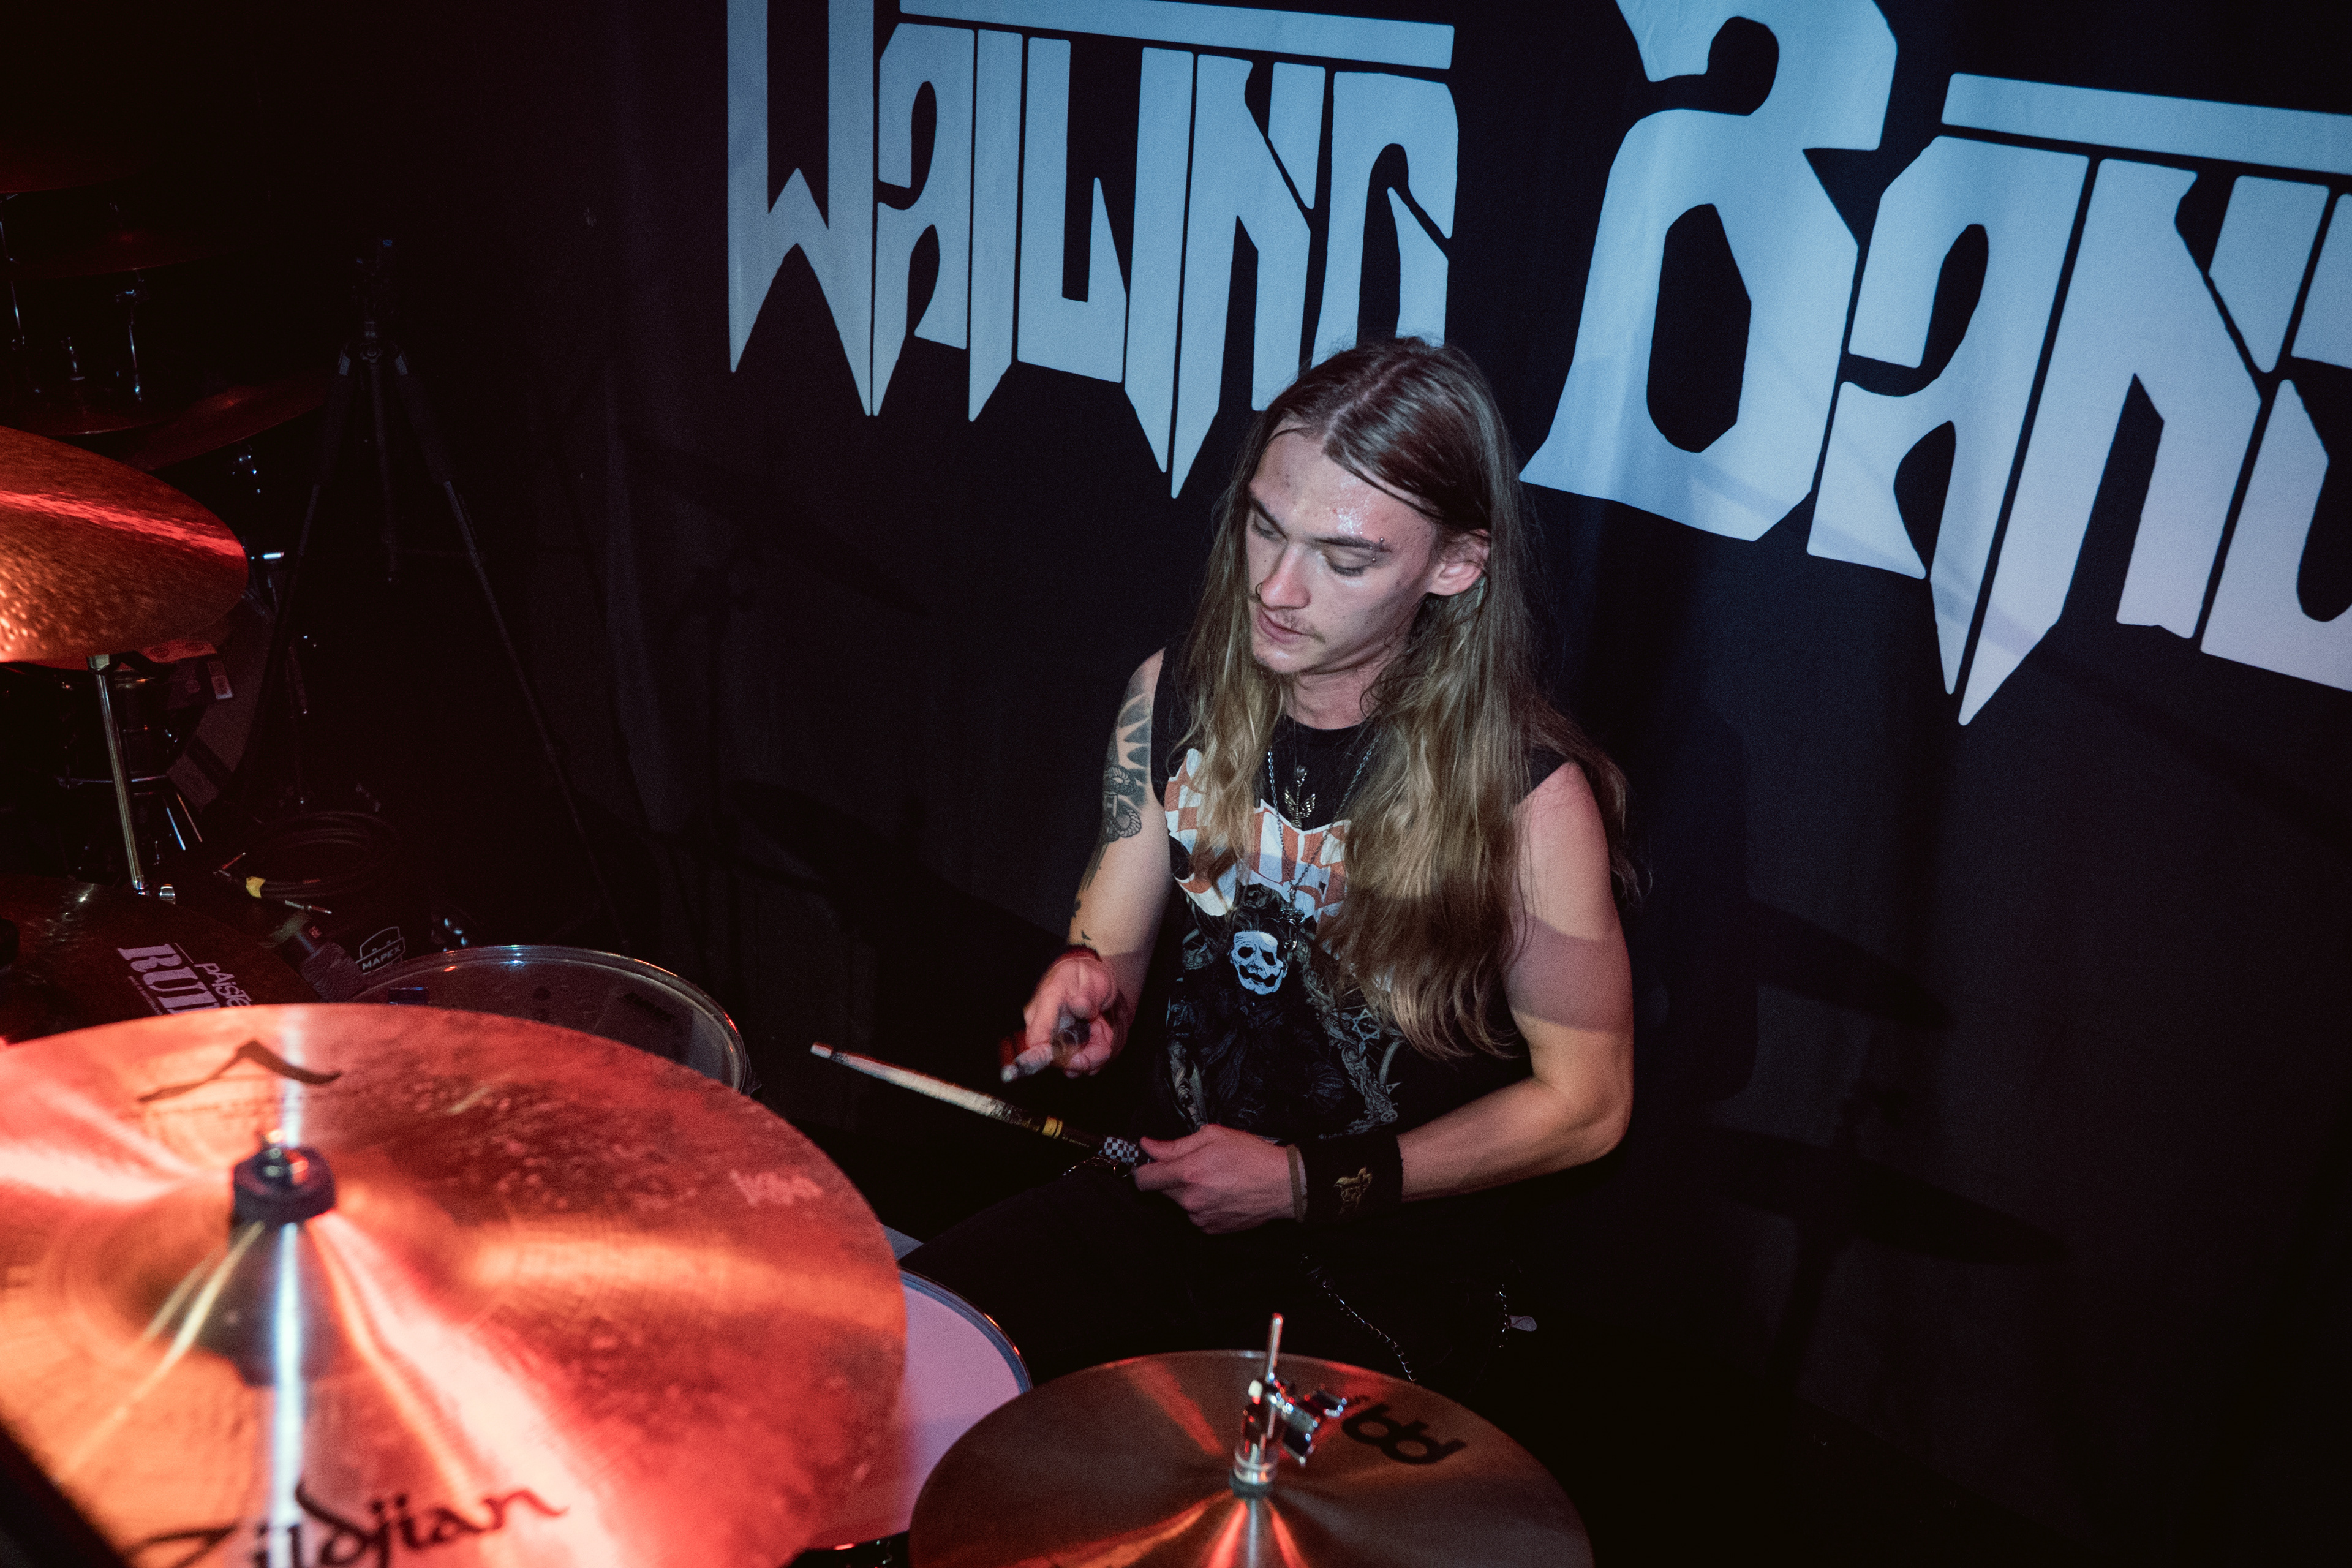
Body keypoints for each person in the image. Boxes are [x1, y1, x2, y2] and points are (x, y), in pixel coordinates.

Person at [903, 338, 1634, 1396]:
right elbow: (1114, 941)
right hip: (1168, 1195)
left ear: (1456, 566)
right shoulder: (1175, 693)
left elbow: (1589, 1103)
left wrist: (1301, 1182)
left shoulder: (1528, 800)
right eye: (1265, 526)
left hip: (1377, 1264)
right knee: (887, 1357)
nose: (1279, 589)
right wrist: (1090, 980)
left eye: (1346, 559)